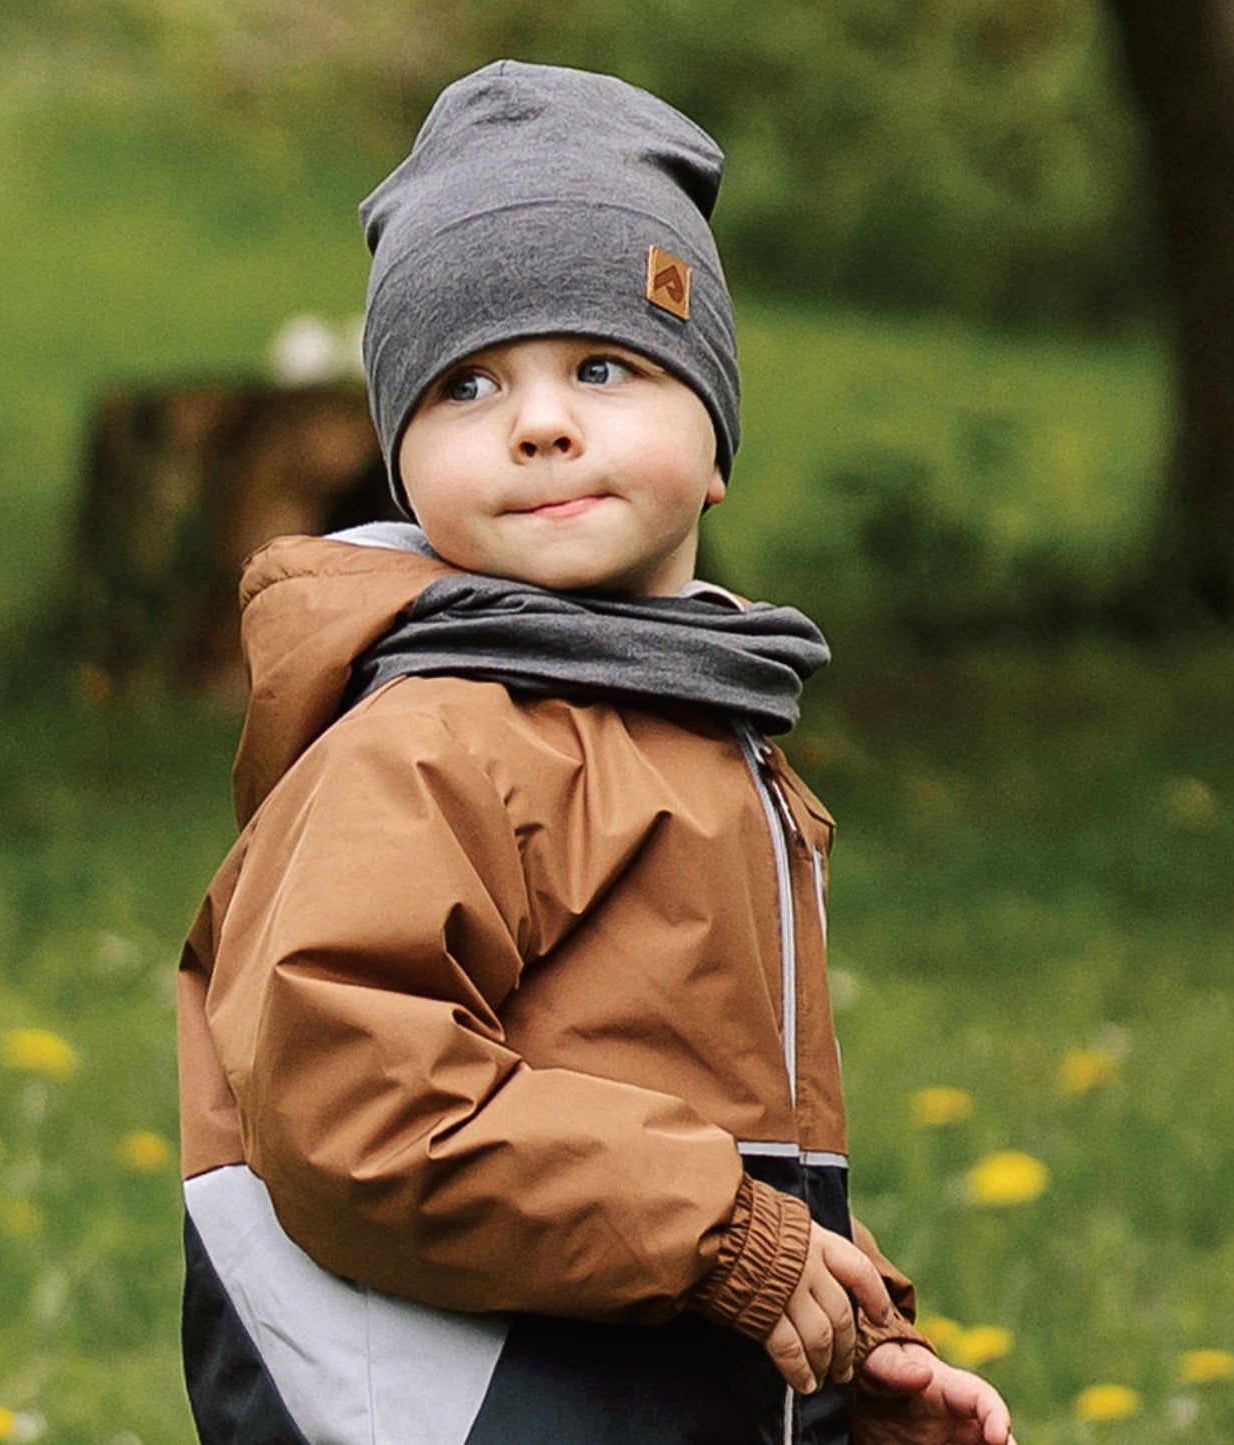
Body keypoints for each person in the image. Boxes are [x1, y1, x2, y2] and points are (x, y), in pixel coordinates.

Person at [176, 59, 1016, 1445]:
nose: (540, 418)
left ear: (715, 440)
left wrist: (845, 1350)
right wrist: (724, 1239)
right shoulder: (438, 738)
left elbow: (710, 1126)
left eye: (604, 364)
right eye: (464, 386)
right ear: (402, 466)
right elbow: (349, 1097)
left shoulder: (693, 729)